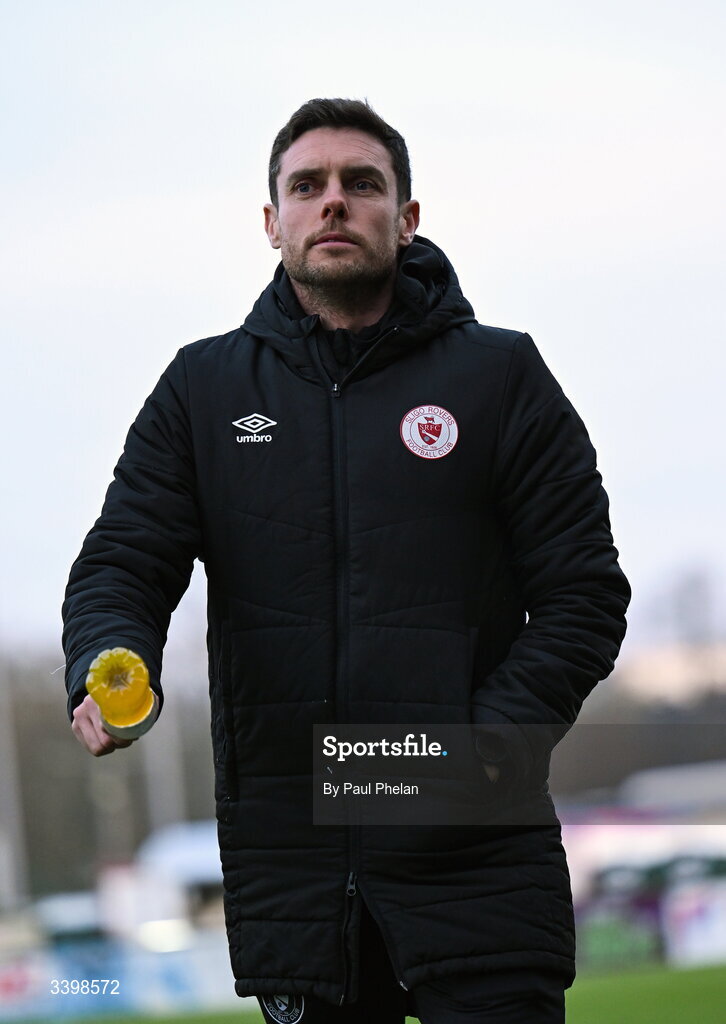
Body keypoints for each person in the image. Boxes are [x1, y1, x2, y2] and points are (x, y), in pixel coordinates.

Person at [63, 98, 631, 1023]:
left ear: (405, 218)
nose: (334, 203)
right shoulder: (200, 391)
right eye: (307, 186)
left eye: (361, 184)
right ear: (271, 221)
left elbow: (584, 595)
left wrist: (480, 751)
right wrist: (107, 658)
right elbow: (124, 560)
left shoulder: (501, 377)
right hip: (298, 877)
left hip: (477, 867)